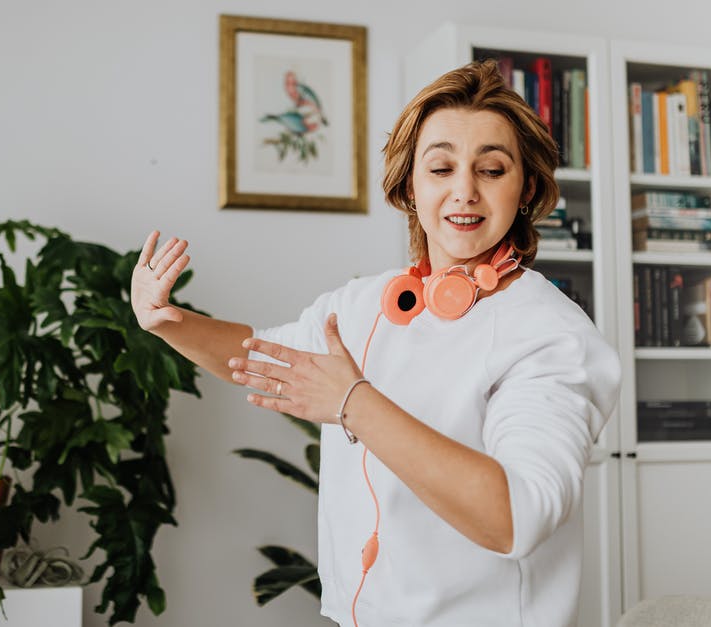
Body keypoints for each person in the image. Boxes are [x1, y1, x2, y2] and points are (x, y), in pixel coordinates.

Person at [129, 60, 621, 627]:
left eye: (490, 169)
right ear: (410, 186)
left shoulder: (551, 336)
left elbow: (516, 515)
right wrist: (165, 320)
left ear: (526, 187)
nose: (464, 191)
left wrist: (352, 401)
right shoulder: (365, 305)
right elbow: (260, 356)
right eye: (440, 168)